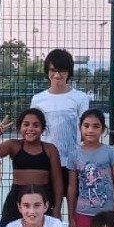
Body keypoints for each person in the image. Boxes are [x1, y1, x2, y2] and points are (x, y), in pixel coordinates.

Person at [29, 48, 90, 190]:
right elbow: (34, 130)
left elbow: (85, 130)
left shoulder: (80, 98)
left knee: (74, 207)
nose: (57, 75)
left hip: (73, 162)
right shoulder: (37, 99)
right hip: (46, 161)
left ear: (69, 72)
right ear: (47, 72)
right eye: (53, 70)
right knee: (49, 206)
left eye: (62, 70)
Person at [64, 109, 114, 227]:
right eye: (86, 125)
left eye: (96, 126)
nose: (90, 130)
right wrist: (71, 215)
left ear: (103, 130)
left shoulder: (110, 152)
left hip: (106, 213)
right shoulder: (74, 154)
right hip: (82, 213)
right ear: (80, 128)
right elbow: (72, 188)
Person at [0, 108, 64, 224]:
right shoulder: (13, 145)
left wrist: (57, 208)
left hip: (42, 200)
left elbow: (57, 181)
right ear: (19, 127)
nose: (30, 129)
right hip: (17, 200)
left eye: (36, 125)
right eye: (26, 124)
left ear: (43, 129)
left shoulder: (50, 149)